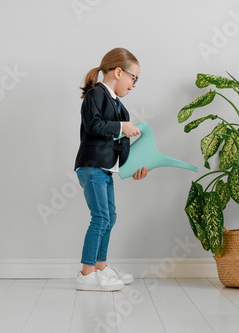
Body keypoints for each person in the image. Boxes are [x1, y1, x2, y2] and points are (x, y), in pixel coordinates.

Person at [74, 48, 148, 292]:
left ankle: (101, 267)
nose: (134, 84)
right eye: (133, 78)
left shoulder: (121, 109)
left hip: (105, 169)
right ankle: (87, 274)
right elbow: (94, 125)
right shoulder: (96, 94)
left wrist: (134, 168)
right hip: (92, 166)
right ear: (118, 72)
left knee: (110, 217)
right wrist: (121, 127)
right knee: (101, 217)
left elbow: (121, 147)